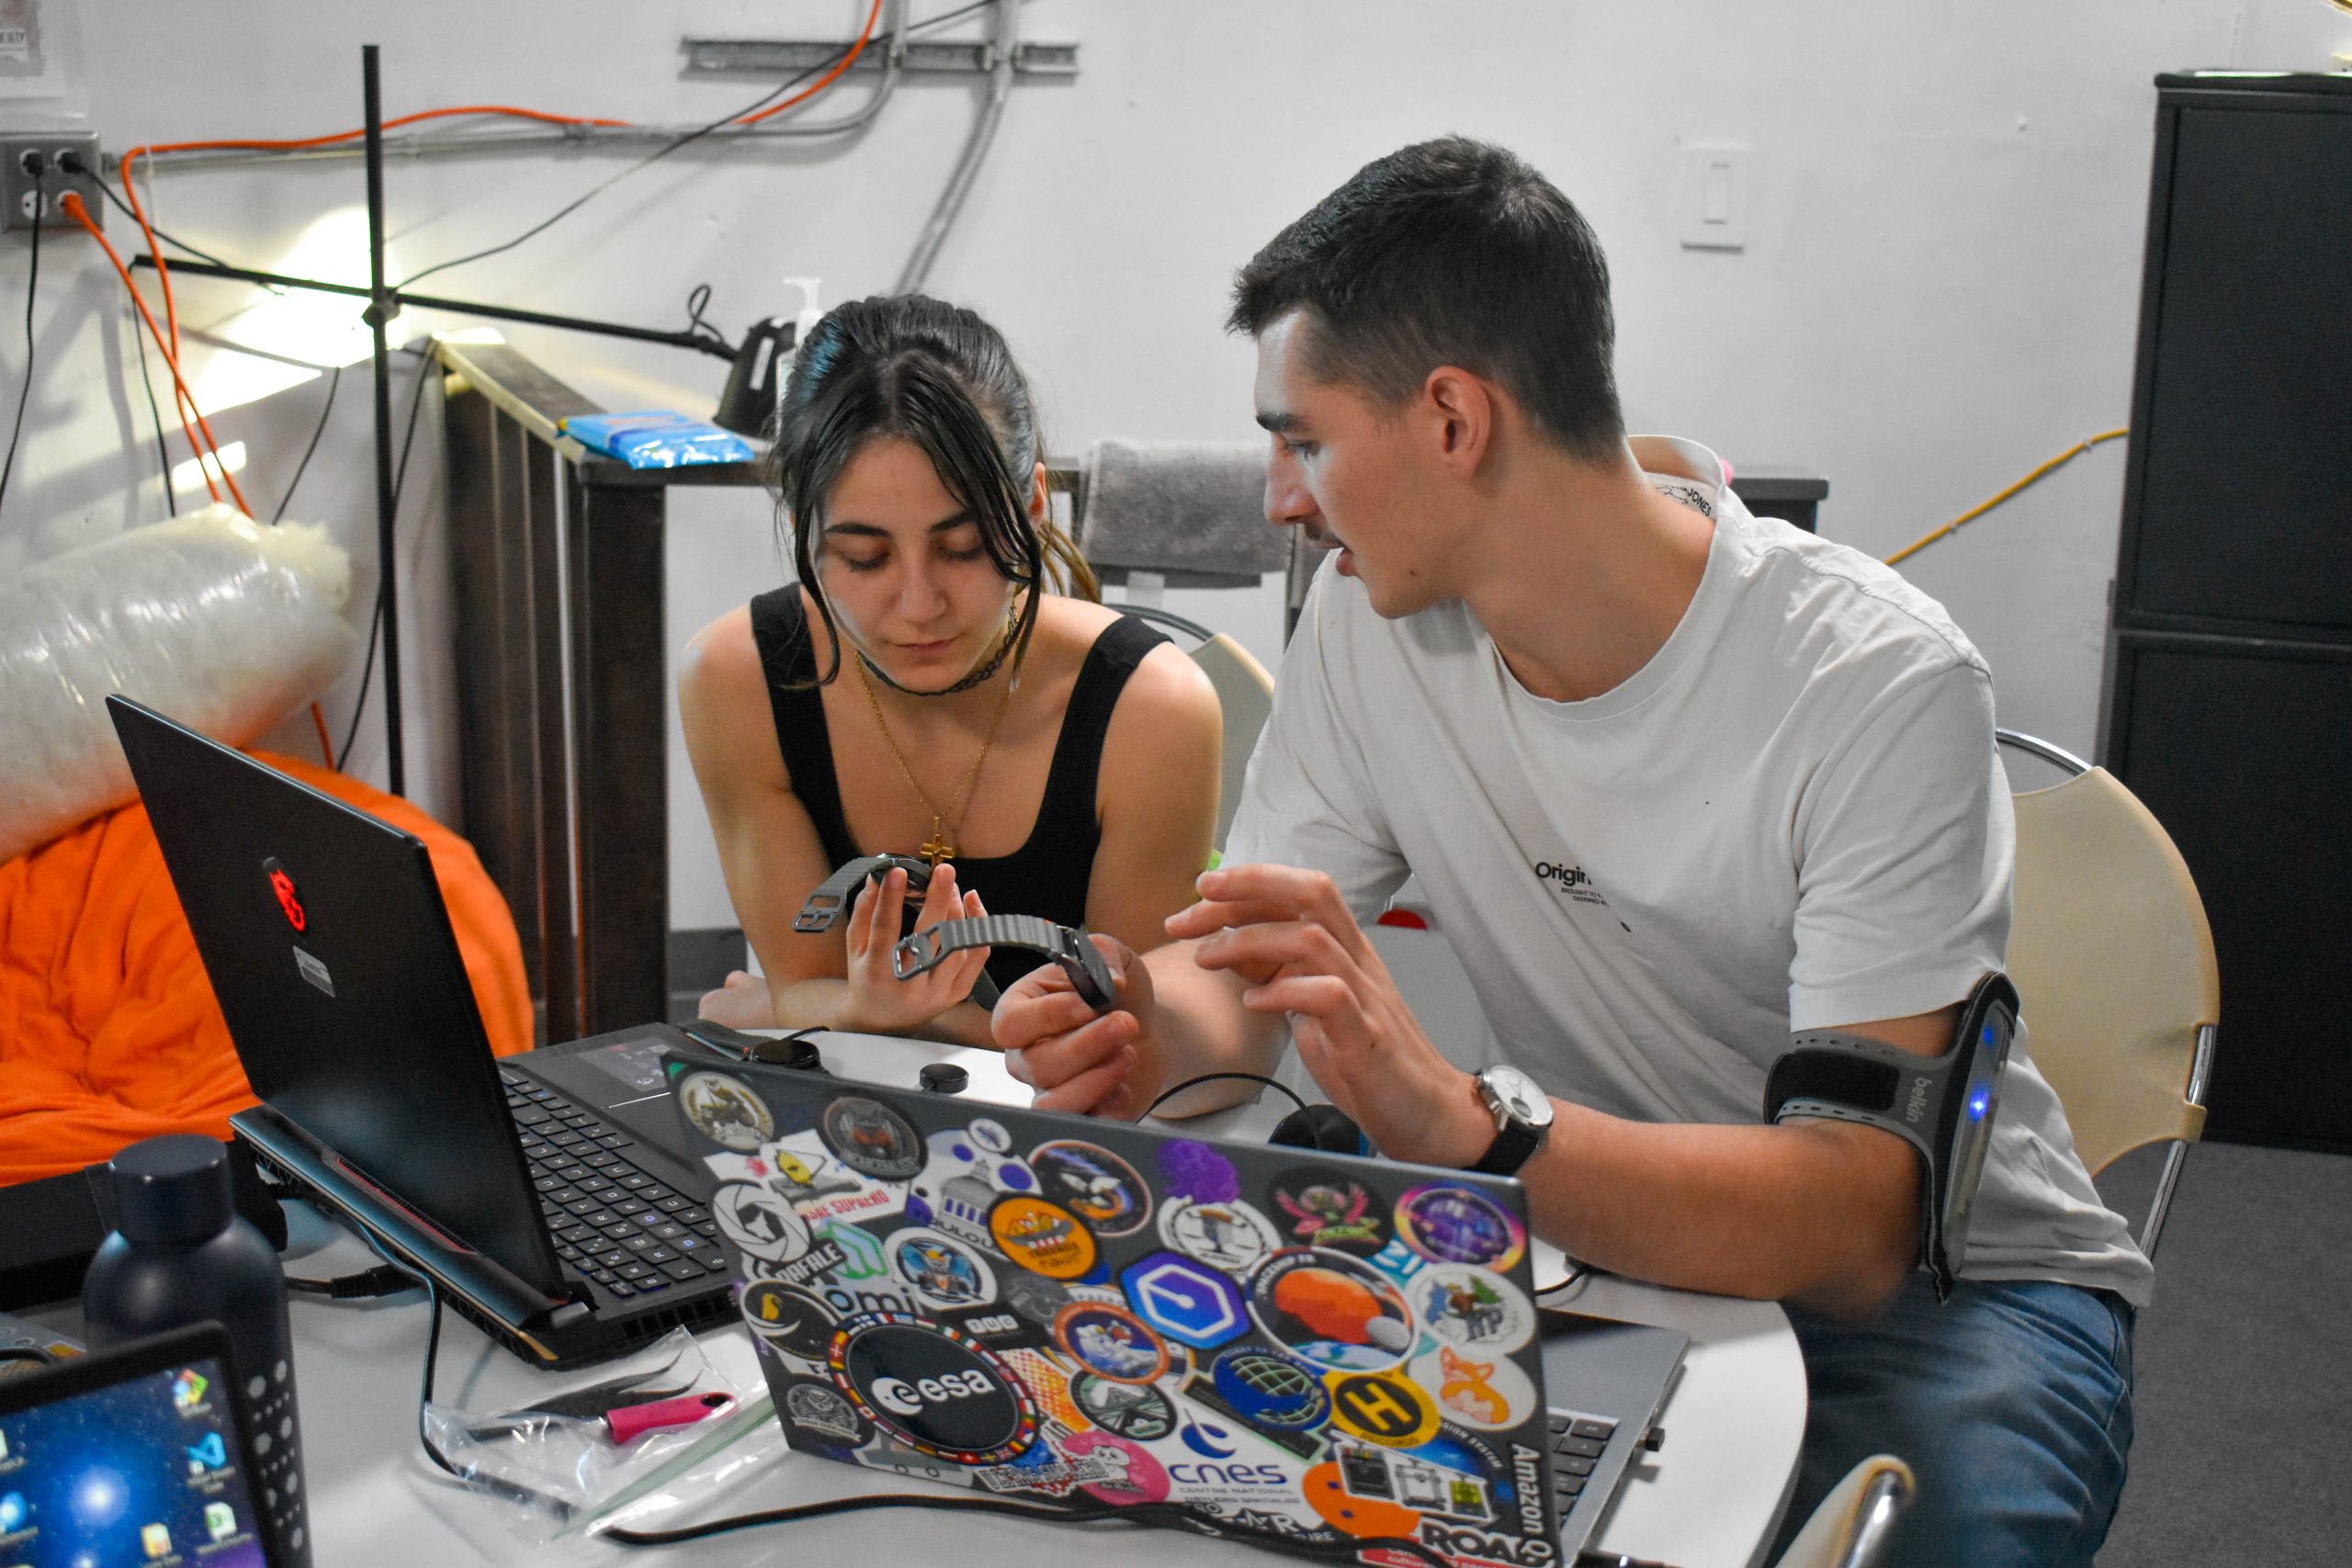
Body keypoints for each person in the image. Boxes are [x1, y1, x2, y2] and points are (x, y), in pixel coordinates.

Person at [994, 140, 2150, 1567]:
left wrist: (1464, 1123)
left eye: (1305, 440)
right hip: (1570, 1240)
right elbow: (1240, 976)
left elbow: (1854, 1224)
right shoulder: (1368, 623)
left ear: (1453, 418)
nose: (1282, 497)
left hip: (1938, 1304)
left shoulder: (1875, 681)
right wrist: (1138, 1025)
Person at [680, 294, 1220, 1047]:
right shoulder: (739, 680)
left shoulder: (1151, 708)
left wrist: (820, 1011)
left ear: (1033, 507)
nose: (919, 604)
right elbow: (805, 982)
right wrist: (831, 1006)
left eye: (962, 548)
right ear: (804, 531)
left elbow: (1122, 1038)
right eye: (864, 557)